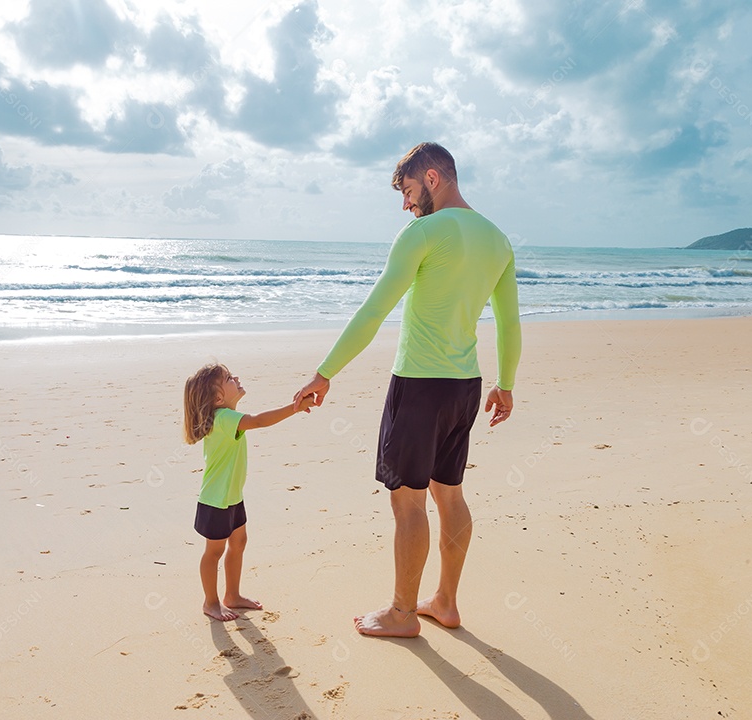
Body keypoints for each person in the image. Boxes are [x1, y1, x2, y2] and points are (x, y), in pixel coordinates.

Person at [293, 142, 521, 638]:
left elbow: (375, 310)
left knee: (409, 502)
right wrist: (505, 384)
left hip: (419, 385)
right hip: (465, 387)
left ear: (433, 178)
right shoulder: (498, 240)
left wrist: (325, 372)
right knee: (450, 494)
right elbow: (509, 324)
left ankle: (402, 613)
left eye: (409, 191)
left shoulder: (423, 233)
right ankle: (445, 602)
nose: (406, 204)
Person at [184, 363, 317, 621]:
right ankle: (210, 602)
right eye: (228, 378)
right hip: (216, 500)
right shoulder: (223, 418)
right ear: (218, 398)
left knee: (239, 543)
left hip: (232, 497)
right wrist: (295, 408)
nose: (235, 377)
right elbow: (258, 421)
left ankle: (232, 595)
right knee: (214, 553)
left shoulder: (226, 418)